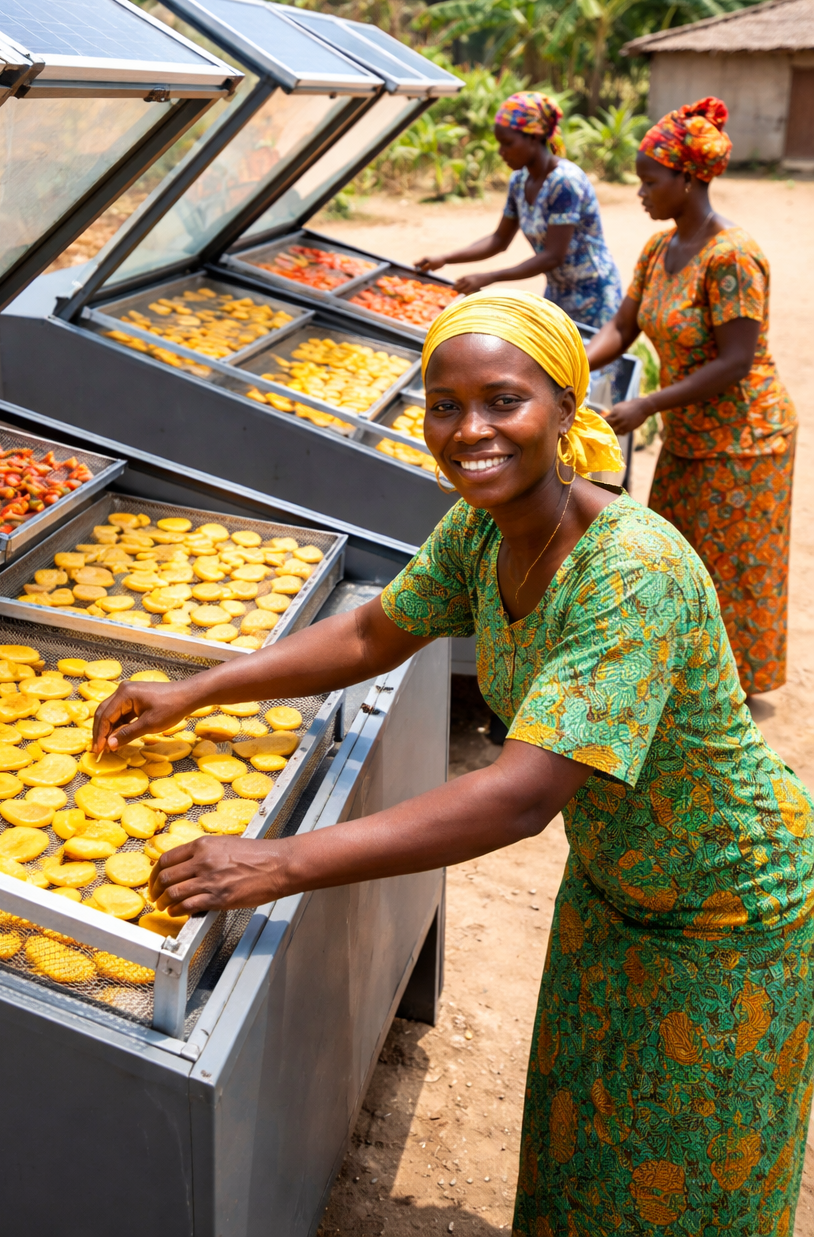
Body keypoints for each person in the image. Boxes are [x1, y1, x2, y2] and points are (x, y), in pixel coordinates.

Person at [93, 292, 814, 1235]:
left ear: (565, 410)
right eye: (444, 404)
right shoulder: (485, 529)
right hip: (614, 888)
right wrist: (198, 689)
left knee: (684, 1172)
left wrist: (277, 862)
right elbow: (367, 635)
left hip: (726, 908)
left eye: (503, 401)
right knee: (586, 1133)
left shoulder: (630, 570)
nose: (470, 430)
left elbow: (521, 797)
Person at [585, 96, 797, 697]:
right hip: (689, 434)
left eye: (650, 180)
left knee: (730, 566)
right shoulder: (658, 249)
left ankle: (730, 693)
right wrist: (566, 364)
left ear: (687, 177)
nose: (641, 192)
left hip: (744, 439)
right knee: (679, 560)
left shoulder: (732, 256)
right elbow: (621, 330)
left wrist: (646, 405)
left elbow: (734, 363)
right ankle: (689, 680)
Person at [415, 92, 623, 330]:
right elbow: (498, 240)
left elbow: (553, 256)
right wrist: (445, 258)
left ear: (534, 138)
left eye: (508, 143)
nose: (501, 152)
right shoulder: (519, 181)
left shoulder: (565, 182)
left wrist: (490, 277)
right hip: (558, 291)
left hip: (594, 293)